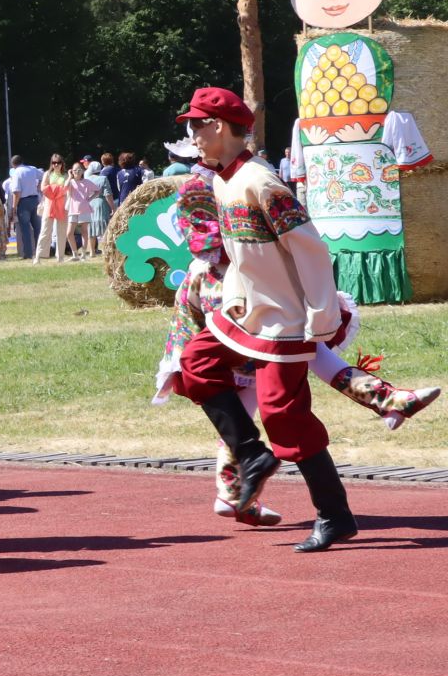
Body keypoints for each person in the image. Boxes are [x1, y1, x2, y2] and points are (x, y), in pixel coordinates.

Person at [152, 160, 438, 528]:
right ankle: (384, 401)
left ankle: (235, 492)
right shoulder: (248, 253)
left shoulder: (202, 270)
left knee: (243, 420)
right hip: (253, 344)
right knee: (296, 372)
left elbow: (188, 322)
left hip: (231, 353)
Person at [167, 89, 362, 552]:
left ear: (219, 126)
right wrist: (233, 299)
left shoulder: (263, 182)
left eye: (197, 125)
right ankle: (253, 455)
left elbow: (311, 250)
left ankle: (335, 515)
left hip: (286, 320)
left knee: (282, 412)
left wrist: (320, 317)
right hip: (248, 313)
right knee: (194, 363)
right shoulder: (221, 181)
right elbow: (239, 255)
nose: (192, 134)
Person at [34, 155, 71, 262]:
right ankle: (38, 256)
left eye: (58, 162)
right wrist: (58, 190)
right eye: (54, 163)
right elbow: (43, 189)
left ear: (62, 163)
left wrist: (55, 189)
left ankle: (60, 257)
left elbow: (67, 188)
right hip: (49, 205)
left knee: (61, 232)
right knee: (45, 231)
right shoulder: (47, 174)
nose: (56, 165)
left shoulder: (65, 175)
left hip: (62, 206)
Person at [8, 155, 43, 259]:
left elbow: (16, 192)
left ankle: (28, 253)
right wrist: (39, 186)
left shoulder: (16, 173)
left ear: (13, 165)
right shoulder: (32, 169)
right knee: (38, 228)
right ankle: (41, 251)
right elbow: (45, 176)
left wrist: (14, 207)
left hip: (23, 202)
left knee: (25, 229)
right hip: (35, 199)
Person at [66, 160, 96, 260]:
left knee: (84, 231)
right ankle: (75, 254)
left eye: (79, 170)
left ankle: (83, 253)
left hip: (84, 208)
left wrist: (90, 198)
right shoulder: (71, 182)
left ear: (83, 171)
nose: (77, 172)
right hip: (72, 208)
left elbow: (97, 190)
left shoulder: (86, 182)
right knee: (69, 233)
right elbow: (64, 188)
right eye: (74, 170)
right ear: (71, 171)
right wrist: (69, 176)